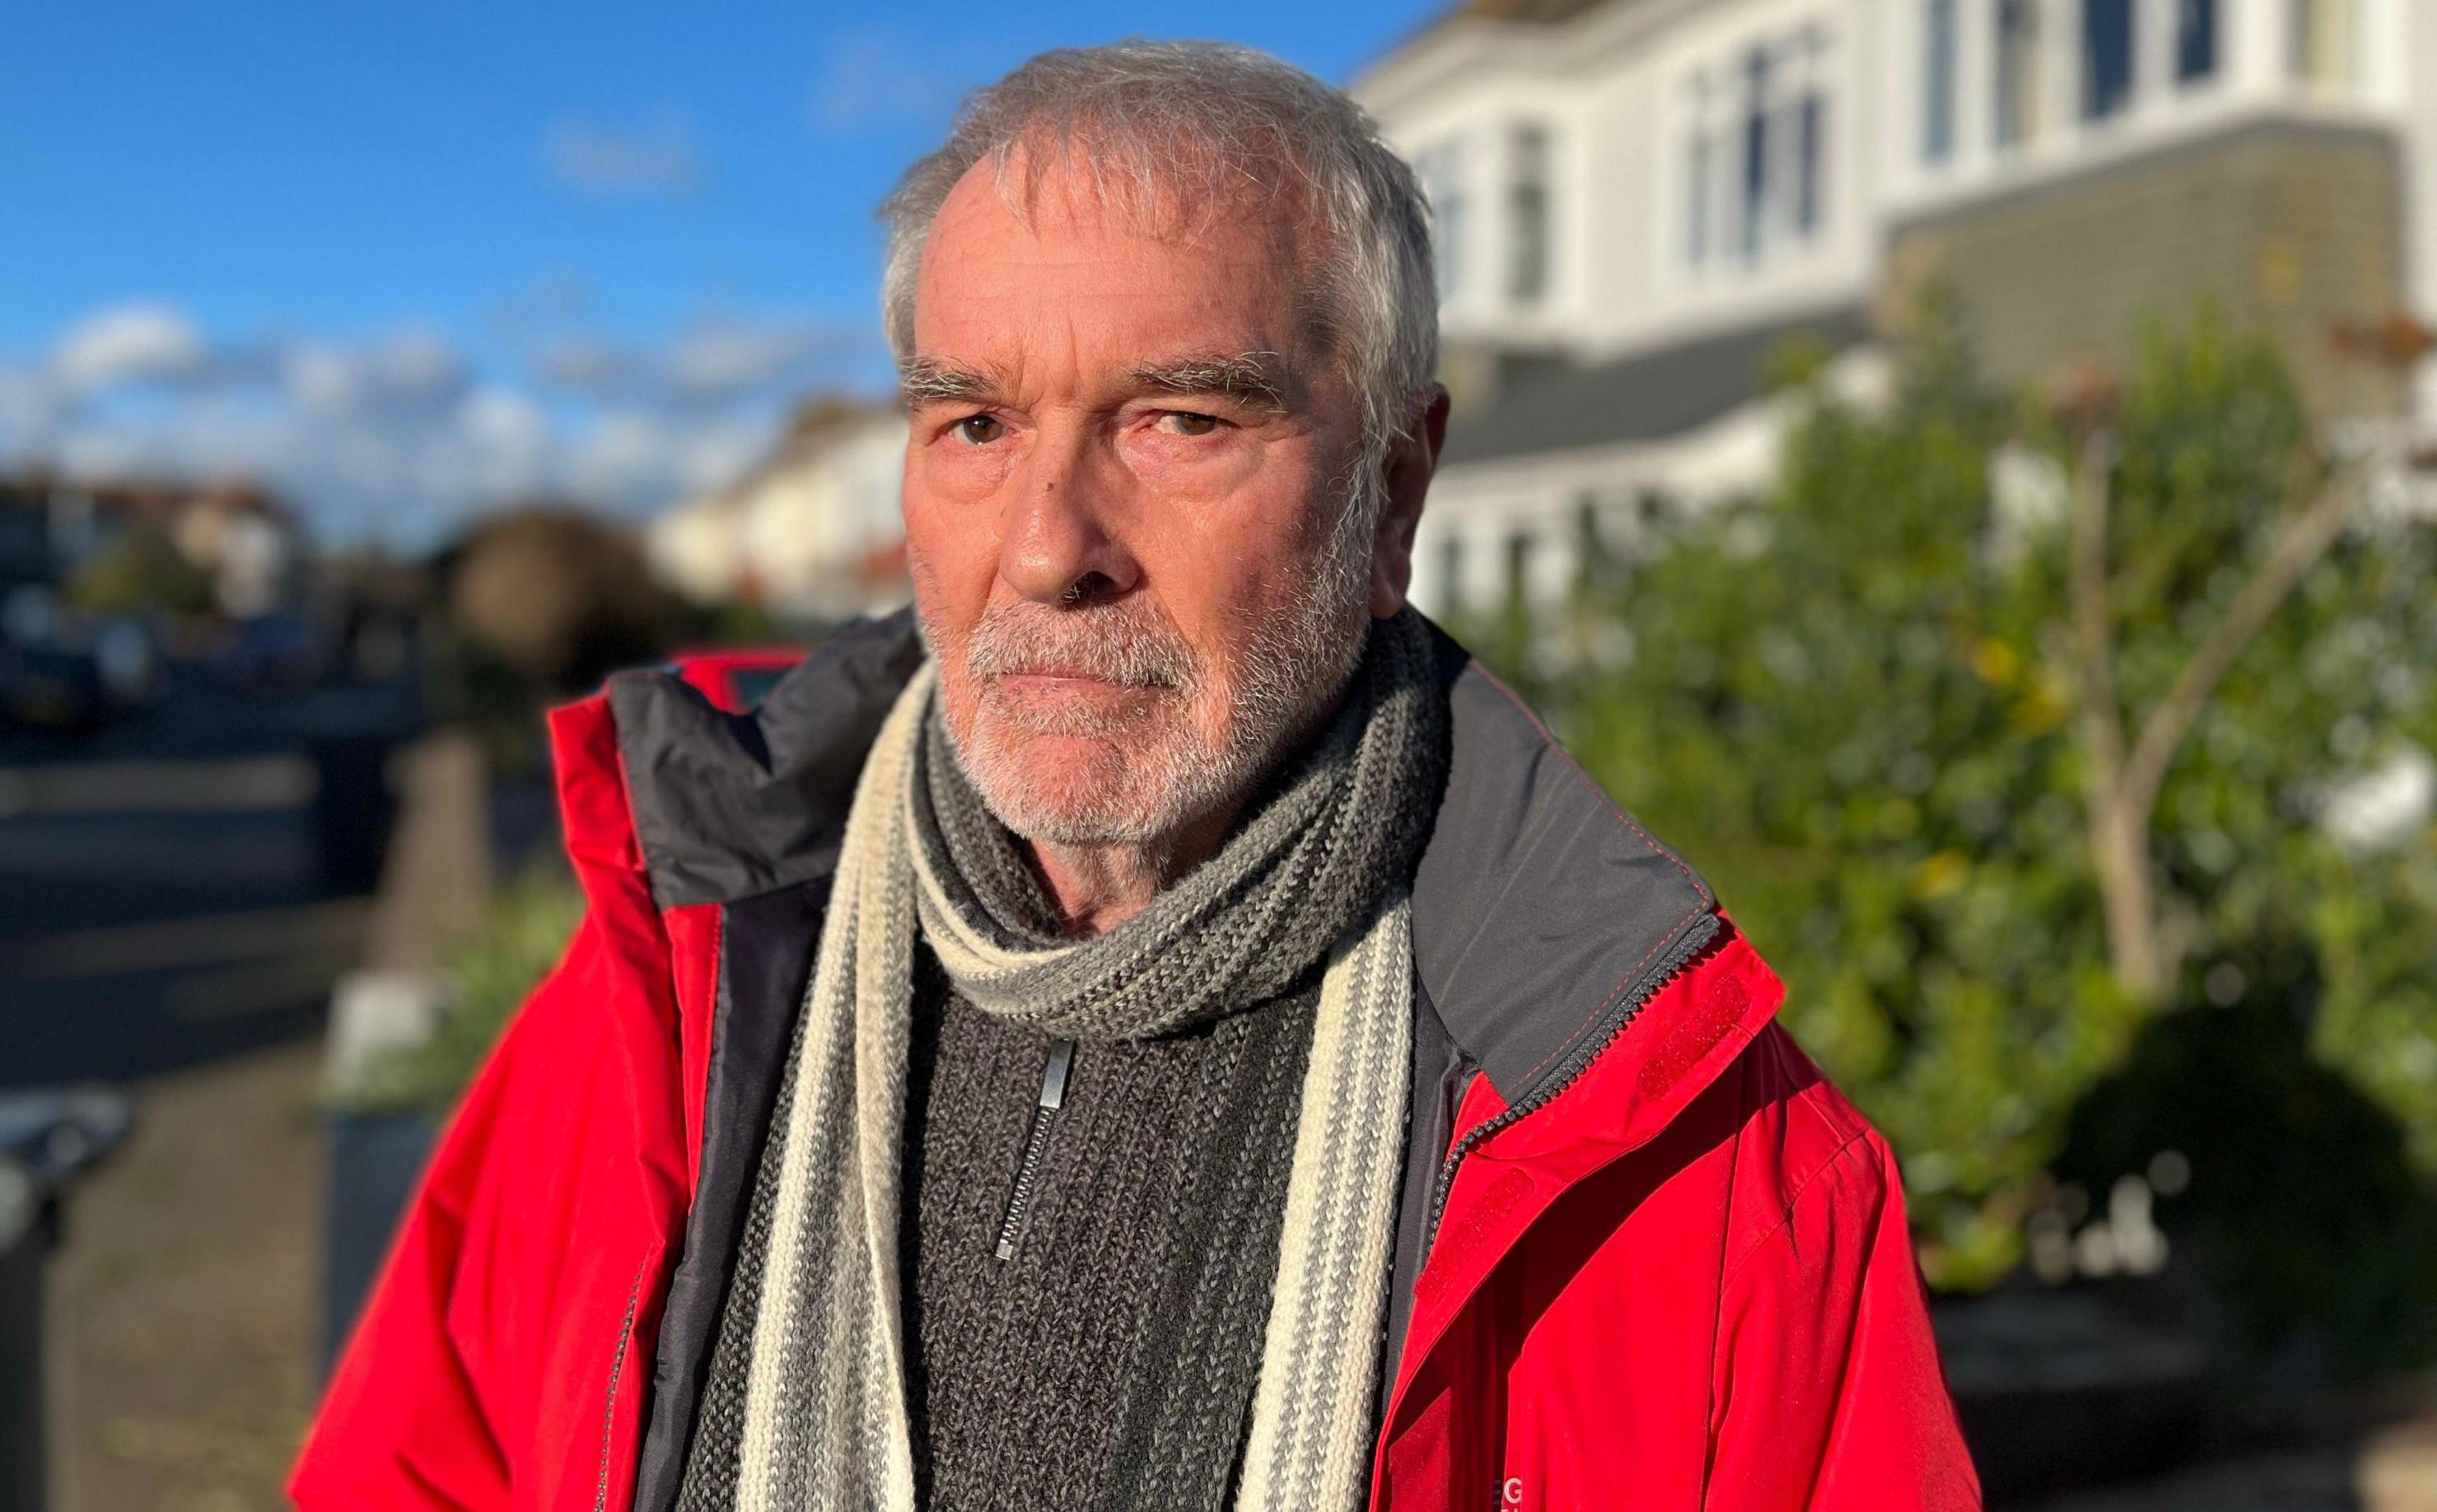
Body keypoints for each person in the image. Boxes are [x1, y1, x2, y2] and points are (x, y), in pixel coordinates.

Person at [294, 41, 1978, 1512]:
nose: (1046, 550)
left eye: (1179, 420)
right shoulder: (668, 988)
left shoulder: (1705, 1173)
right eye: (975, 424)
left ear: (1394, 492)